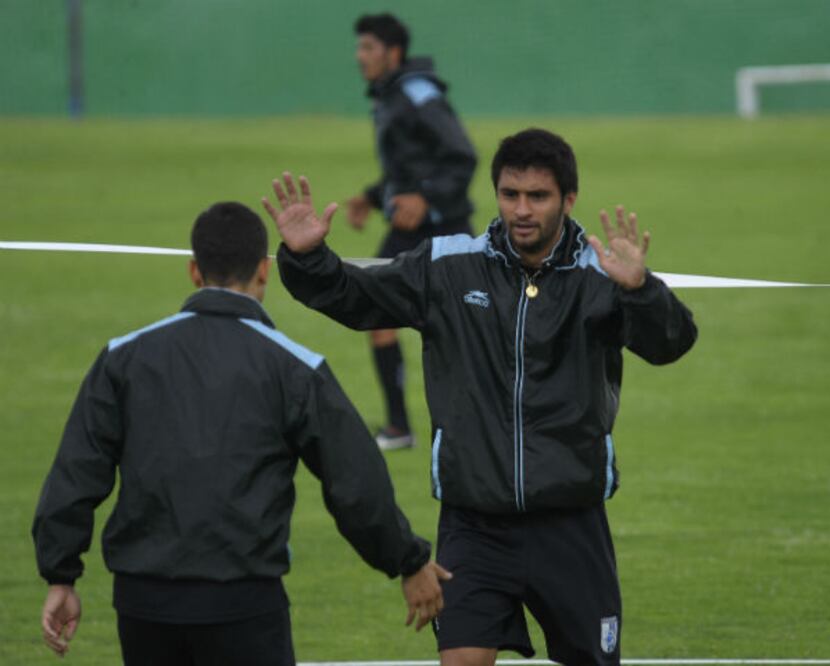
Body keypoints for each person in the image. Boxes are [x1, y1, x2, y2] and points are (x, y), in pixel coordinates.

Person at [264, 128, 698, 665]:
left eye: (537, 196)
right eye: (509, 194)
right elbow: (356, 299)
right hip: (474, 526)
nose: (521, 209)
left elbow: (670, 344)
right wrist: (308, 257)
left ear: (568, 199)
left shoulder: (602, 276)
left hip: (570, 523)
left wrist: (641, 290)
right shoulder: (447, 265)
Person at [32, 202, 450, 665]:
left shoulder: (123, 357)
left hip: (142, 604)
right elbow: (355, 483)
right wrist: (407, 562)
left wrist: (61, 576)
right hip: (245, 604)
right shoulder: (295, 367)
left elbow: (76, 471)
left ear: (194, 271)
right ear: (262, 272)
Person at [346, 12, 478, 450]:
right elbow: (408, 166)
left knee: (465, 328)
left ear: (393, 52)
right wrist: (370, 195)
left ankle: (453, 425)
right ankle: (399, 427)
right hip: (410, 228)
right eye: (360, 46)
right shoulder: (390, 96)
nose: (359, 56)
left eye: (368, 47)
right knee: (379, 315)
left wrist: (427, 198)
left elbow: (462, 154)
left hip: (441, 228)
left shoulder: (418, 93)